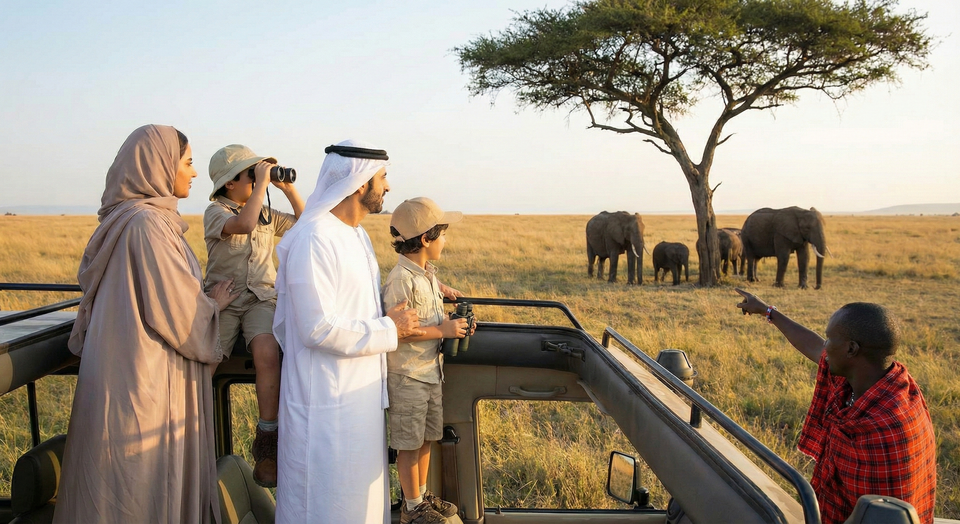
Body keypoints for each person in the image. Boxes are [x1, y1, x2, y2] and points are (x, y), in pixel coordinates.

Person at [54, 125, 237, 524]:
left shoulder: (135, 219)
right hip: (145, 384)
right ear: (159, 166)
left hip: (128, 375)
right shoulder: (148, 226)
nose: (192, 173)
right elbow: (177, 312)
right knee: (143, 485)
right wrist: (212, 305)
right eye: (187, 163)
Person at [272, 140, 426, 524]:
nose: (388, 187)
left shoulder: (356, 235)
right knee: (325, 505)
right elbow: (316, 328)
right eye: (383, 178)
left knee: (361, 504)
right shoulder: (315, 238)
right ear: (359, 183)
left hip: (360, 403)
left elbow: (355, 305)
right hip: (324, 406)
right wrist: (390, 328)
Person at [735, 289, 936, 524]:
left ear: (851, 350)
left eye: (830, 338)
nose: (825, 346)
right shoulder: (872, 377)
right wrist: (767, 311)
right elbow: (814, 347)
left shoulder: (885, 428)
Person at [204, 144, 304, 487]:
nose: (256, 178)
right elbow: (243, 224)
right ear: (230, 183)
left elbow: (305, 225)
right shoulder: (216, 211)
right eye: (250, 174)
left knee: (266, 351)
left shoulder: (264, 211)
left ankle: (268, 440)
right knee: (207, 362)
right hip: (224, 300)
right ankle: (190, 430)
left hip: (261, 298)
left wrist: (287, 189)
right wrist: (262, 184)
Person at [382, 197, 472, 524]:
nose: (446, 241)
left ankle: (420, 497)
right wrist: (443, 330)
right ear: (425, 239)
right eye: (442, 234)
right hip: (408, 375)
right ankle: (411, 507)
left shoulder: (427, 274)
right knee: (409, 444)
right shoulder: (401, 280)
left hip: (430, 373)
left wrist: (453, 324)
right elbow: (400, 331)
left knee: (426, 438)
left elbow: (428, 318)